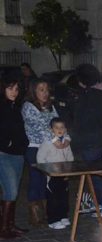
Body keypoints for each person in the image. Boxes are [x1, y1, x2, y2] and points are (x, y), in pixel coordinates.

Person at [69, 63, 102, 219]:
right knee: (97, 173)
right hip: (97, 140)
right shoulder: (99, 93)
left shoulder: (87, 96)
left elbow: (81, 120)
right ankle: (101, 204)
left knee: (96, 175)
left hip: (89, 141)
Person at [22, 78, 58, 226]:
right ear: (33, 91)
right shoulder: (28, 106)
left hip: (50, 147)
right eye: (41, 90)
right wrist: (57, 135)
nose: (45, 93)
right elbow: (40, 128)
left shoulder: (50, 106)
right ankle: (34, 213)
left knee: (45, 179)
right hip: (35, 147)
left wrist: (60, 134)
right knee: (36, 178)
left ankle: (44, 211)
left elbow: (58, 123)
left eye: (46, 90)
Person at [0, 74, 29, 238]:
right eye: (10, 88)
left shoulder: (15, 106)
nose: (14, 92)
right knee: (10, 189)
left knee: (13, 191)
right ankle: (4, 228)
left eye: (17, 89)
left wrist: (22, 144)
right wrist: (6, 144)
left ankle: (9, 225)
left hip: (18, 154)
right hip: (3, 154)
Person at [37, 118, 73, 229]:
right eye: (56, 128)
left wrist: (69, 171)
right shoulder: (47, 143)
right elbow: (40, 158)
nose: (59, 130)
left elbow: (70, 157)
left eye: (62, 127)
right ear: (51, 130)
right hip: (52, 175)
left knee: (63, 196)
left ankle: (63, 216)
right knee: (53, 197)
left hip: (63, 174)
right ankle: (53, 219)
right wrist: (47, 171)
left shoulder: (66, 143)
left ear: (65, 129)